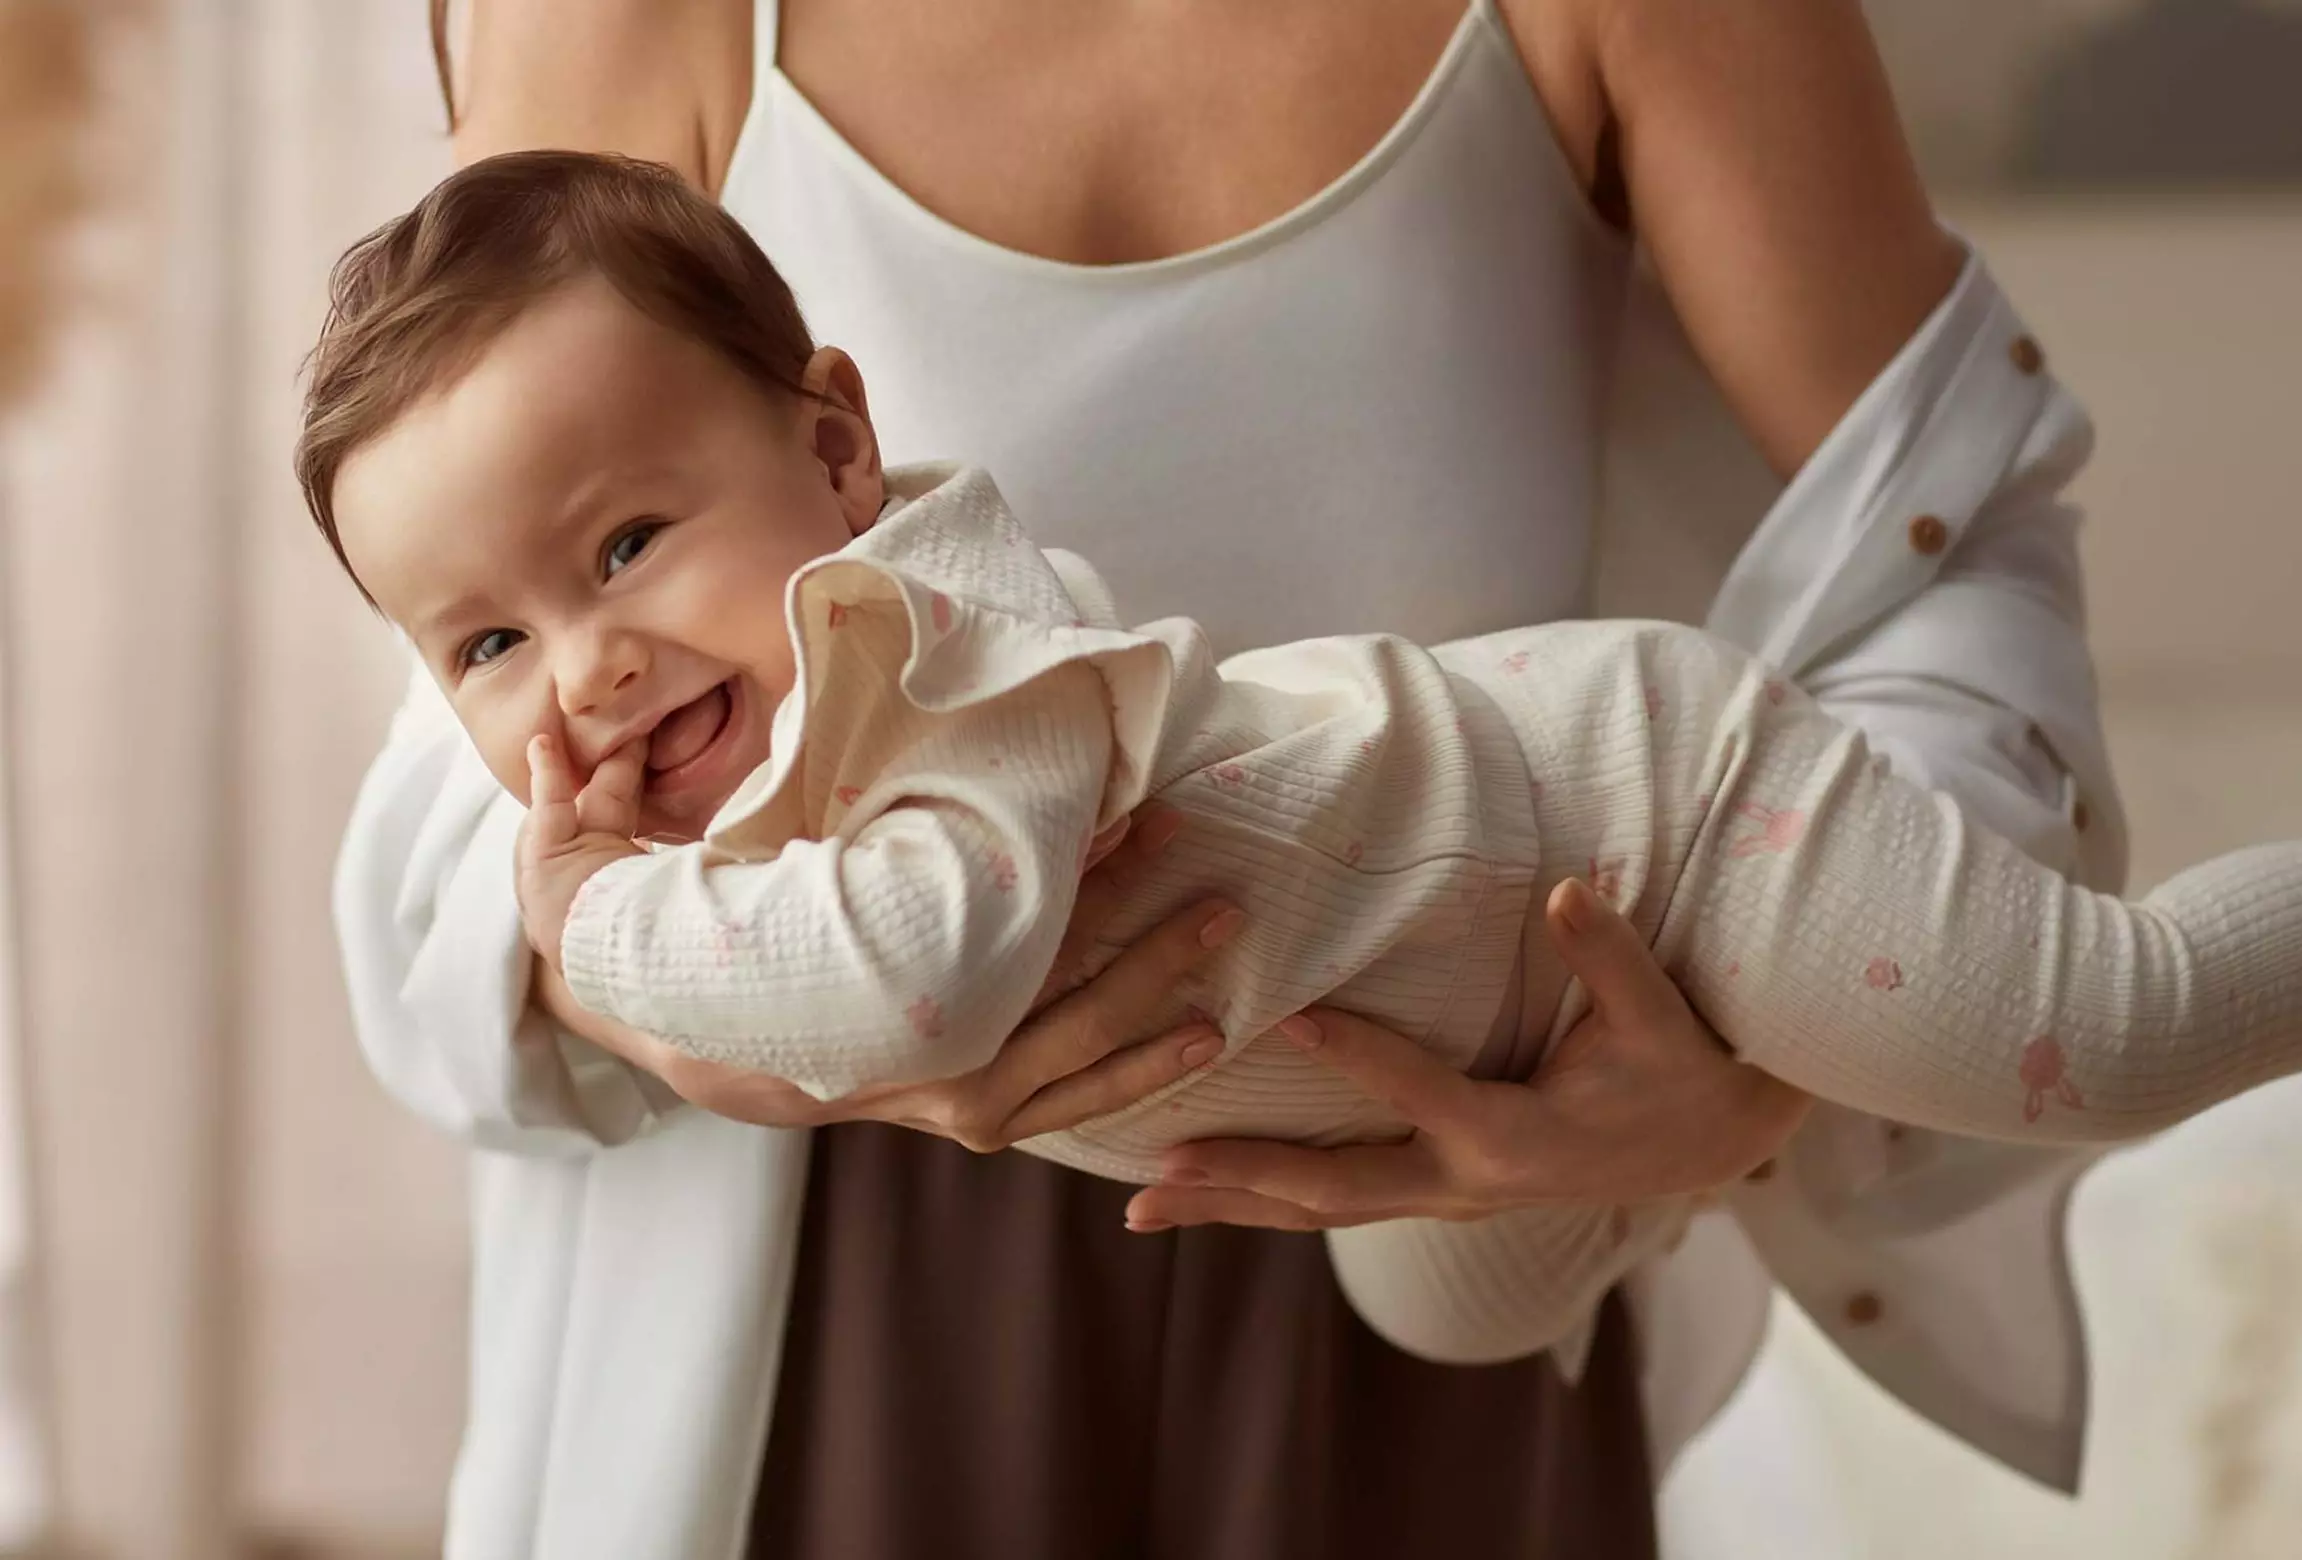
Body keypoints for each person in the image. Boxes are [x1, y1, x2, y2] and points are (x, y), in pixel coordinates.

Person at [341, 1, 2124, 1553]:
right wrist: (654, 976)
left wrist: (1746, 1074)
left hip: (1426, 1192)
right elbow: (485, 680)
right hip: (821, 1286)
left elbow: (1946, 548)